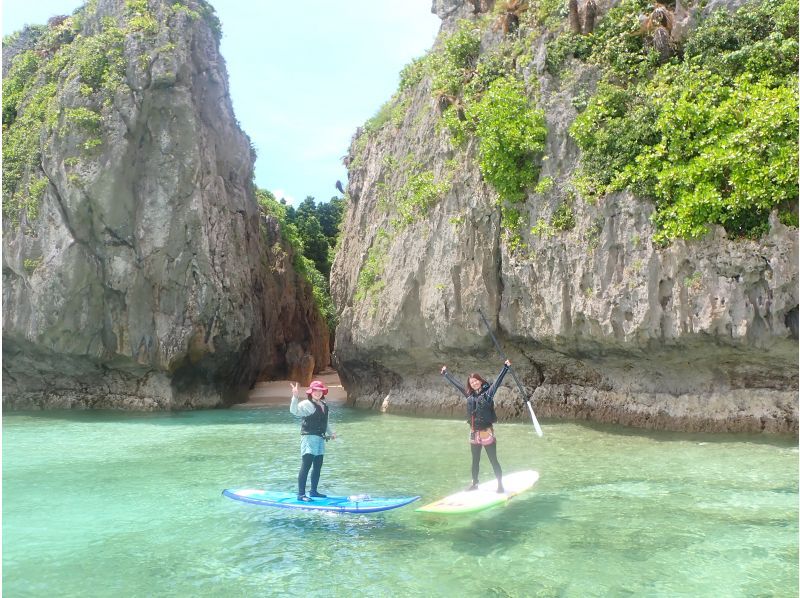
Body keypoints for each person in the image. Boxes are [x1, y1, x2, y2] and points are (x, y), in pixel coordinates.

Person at [441, 359, 511, 493]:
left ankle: (500, 485)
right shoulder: (469, 395)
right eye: (472, 382)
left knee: (493, 460)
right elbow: (457, 385)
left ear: (480, 381)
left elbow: (497, 383)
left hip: (486, 432)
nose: (474, 383)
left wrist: (505, 368)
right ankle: (474, 484)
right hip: (474, 433)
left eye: (476, 381)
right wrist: (446, 374)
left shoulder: (488, 393)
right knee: (475, 461)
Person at [290, 379, 336, 502]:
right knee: (306, 466)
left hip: (320, 439)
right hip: (309, 438)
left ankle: (313, 491)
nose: (318, 393)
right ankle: (301, 495)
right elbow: (294, 411)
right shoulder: (306, 404)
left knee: (317, 466)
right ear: (311, 392)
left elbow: (325, 423)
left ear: (323, 392)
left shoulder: (324, 406)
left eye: (320, 391)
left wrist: (331, 433)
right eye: (315, 391)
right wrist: (295, 396)